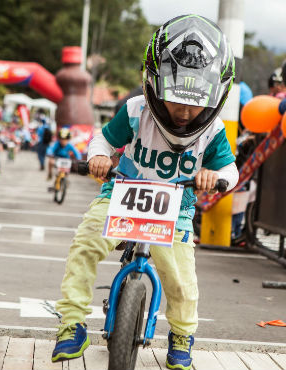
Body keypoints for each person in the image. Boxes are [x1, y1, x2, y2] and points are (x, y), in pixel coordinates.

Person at [51, 15, 239, 369]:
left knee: (181, 280)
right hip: (120, 194)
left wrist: (215, 176)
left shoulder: (212, 131)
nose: (184, 111)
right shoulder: (136, 111)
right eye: (175, 100)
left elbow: (230, 168)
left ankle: (182, 335)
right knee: (86, 245)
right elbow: (102, 139)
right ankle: (71, 323)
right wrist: (99, 158)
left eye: (195, 103)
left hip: (175, 208)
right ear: (154, 85)